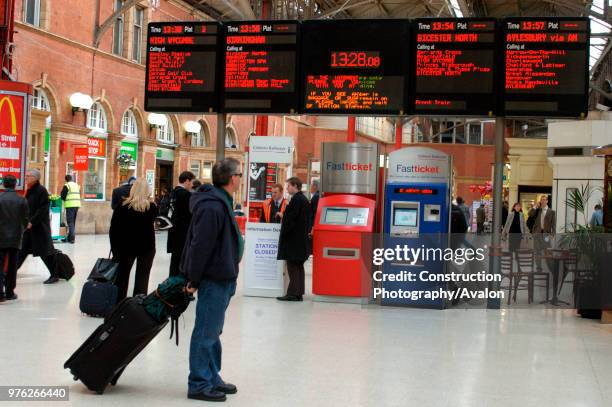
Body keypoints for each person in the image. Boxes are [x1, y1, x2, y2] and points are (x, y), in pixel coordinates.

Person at [181, 158, 244, 402]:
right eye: (239, 174)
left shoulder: (221, 202)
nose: (240, 178)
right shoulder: (212, 206)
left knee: (213, 330)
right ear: (232, 178)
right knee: (206, 331)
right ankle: (198, 382)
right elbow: (200, 246)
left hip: (224, 276)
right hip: (213, 278)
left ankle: (211, 375)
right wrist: (193, 279)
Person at [109, 179, 158, 301]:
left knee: (122, 278)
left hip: (125, 247)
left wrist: (115, 250)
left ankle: (119, 306)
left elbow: (113, 229)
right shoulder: (152, 207)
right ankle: (138, 305)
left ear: (133, 189)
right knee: (143, 278)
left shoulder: (122, 206)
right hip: (147, 247)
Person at [17, 169, 58, 284]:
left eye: (28, 176)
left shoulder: (41, 190)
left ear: (35, 178)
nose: (26, 178)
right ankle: (7, 276)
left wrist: (32, 222)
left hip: (39, 228)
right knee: (21, 252)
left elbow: (43, 209)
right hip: (29, 229)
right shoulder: (29, 190)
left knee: (45, 252)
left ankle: (54, 274)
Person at [277, 177, 310, 302]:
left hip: (294, 241)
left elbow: (291, 220)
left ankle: (292, 293)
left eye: (288, 186)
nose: (287, 188)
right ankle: (298, 293)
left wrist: (283, 217)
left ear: (295, 185)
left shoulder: (296, 200)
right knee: (298, 267)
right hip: (301, 241)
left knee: (293, 266)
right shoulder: (304, 200)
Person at [0, 175, 29, 302]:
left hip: (0, 236)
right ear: (15, 185)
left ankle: (0, 294)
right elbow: (25, 220)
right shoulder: (22, 200)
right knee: (12, 265)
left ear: (3, 185)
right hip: (16, 237)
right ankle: (10, 292)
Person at [167, 171, 195, 277]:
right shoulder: (185, 194)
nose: (192, 185)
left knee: (174, 262)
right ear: (187, 181)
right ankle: (178, 288)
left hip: (173, 232)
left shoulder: (173, 192)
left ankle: (171, 284)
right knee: (182, 264)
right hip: (183, 234)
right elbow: (190, 214)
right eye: (191, 182)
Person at [532, 195, 556, 272]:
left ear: (547, 201)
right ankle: (539, 267)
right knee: (537, 251)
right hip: (537, 234)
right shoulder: (537, 210)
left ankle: (550, 267)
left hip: (546, 235)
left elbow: (553, 224)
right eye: (541, 200)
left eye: (544, 199)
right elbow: (530, 214)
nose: (543, 201)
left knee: (547, 251)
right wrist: (535, 206)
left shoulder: (551, 212)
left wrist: (552, 234)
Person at [502, 202, 527, 270]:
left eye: (519, 206)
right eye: (517, 206)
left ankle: (516, 257)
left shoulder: (522, 214)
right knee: (511, 245)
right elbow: (507, 223)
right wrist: (503, 233)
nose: (518, 207)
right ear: (514, 207)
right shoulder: (511, 214)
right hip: (511, 232)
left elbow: (523, 224)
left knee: (517, 246)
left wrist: (525, 233)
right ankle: (510, 257)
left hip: (519, 233)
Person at [60, 174, 81, 243]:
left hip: (70, 205)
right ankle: (69, 237)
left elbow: (63, 195)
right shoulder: (76, 185)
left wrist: (63, 198)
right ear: (71, 178)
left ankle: (72, 238)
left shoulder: (67, 185)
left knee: (70, 222)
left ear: (66, 179)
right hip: (77, 205)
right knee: (73, 222)